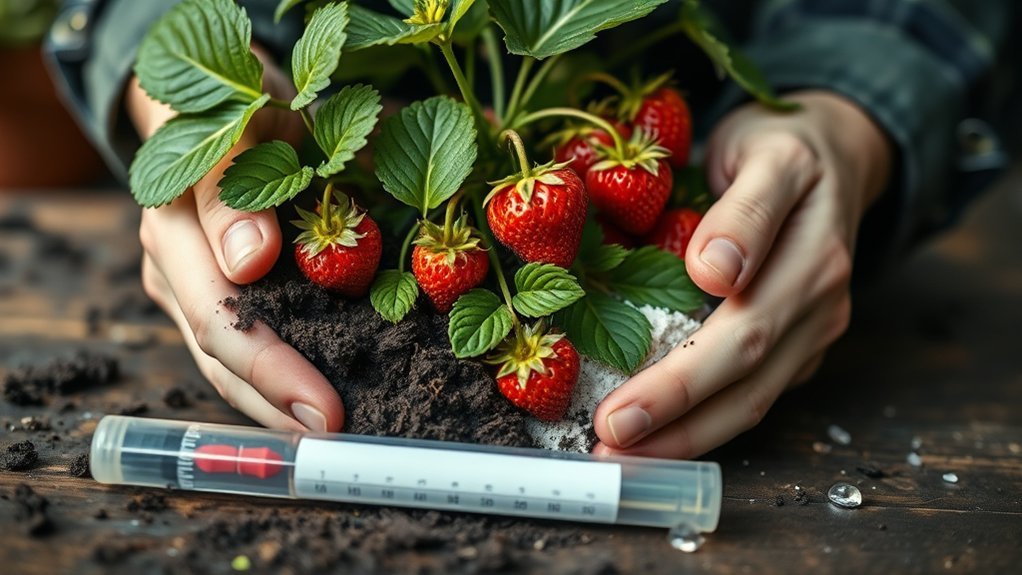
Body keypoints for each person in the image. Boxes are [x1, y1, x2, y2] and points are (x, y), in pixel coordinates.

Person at [44, 0, 1016, 457]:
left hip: (665, 152)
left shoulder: (540, 197)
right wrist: (209, 109)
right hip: (359, 161)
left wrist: (849, 107)